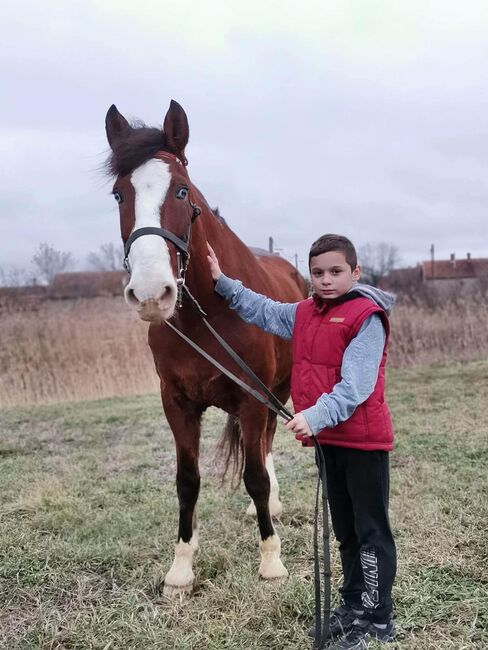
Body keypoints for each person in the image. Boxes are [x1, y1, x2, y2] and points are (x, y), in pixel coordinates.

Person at [206, 234, 397, 649]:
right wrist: (221, 281)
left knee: (370, 530)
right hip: (330, 443)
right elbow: (262, 309)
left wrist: (314, 415)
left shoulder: (367, 317)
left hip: (363, 443)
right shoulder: (305, 313)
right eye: (317, 273)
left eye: (335, 272)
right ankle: (351, 605)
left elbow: (356, 387)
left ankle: (377, 617)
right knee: (344, 529)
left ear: (355, 272)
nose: (326, 280)